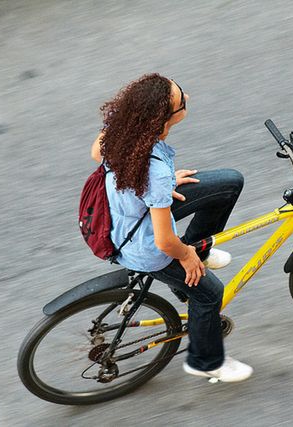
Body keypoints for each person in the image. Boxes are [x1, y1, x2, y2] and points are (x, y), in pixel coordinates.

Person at [90, 73, 252, 382]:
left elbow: (97, 154)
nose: (187, 97)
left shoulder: (121, 129)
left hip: (123, 213)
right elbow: (164, 241)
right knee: (210, 293)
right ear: (163, 119)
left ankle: (191, 267)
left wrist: (157, 188)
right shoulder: (155, 172)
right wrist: (187, 254)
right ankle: (206, 361)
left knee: (229, 183)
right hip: (144, 246)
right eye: (181, 100)